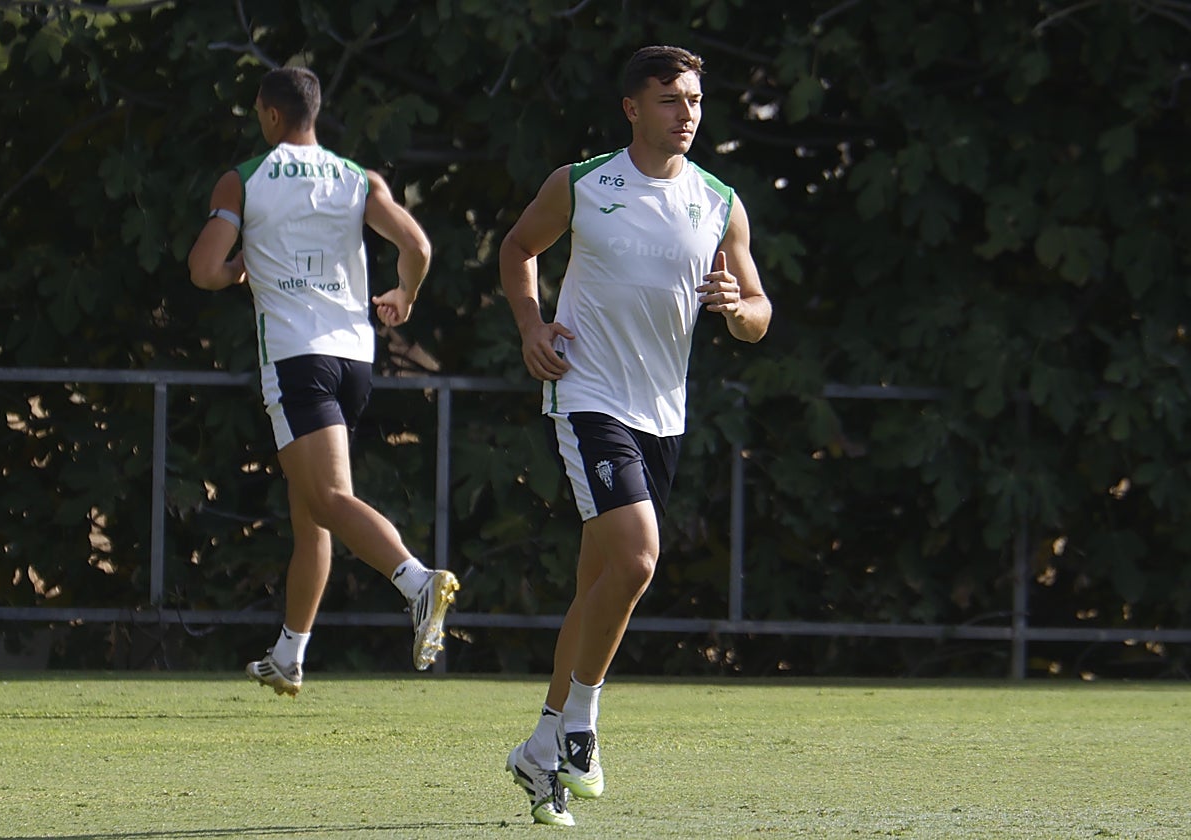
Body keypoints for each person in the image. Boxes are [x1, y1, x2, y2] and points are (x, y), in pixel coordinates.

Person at [498, 45, 772, 826]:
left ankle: (541, 746)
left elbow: (758, 315)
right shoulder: (583, 184)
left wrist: (735, 306)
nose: (686, 113)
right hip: (588, 396)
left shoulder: (719, 201)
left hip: (664, 413)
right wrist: (531, 324)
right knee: (640, 557)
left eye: (692, 100)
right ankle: (581, 724)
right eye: (668, 100)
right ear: (632, 108)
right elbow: (519, 250)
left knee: (600, 585)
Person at [187, 66, 459, 696]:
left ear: (271, 114)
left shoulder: (246, 178)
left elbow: (204, 268)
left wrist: (237, 272)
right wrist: (405, 295)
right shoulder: (356, 177)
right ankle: (290, 653)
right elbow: (416, 246)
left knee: (330, 498)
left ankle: (417, 584)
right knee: (311, 507)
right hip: (354, 358)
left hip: (295, 358)